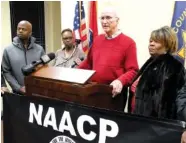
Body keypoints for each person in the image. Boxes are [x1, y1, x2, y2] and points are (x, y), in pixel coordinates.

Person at [78, 7, 139, 109]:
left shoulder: (129, 43)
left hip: (113, 95)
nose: (104, 21)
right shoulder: (97, 40)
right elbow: (88, 63)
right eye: (102, 18)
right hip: (94, 91)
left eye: (108, 18)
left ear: (117, 20)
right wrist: (73, 74)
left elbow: (133, 70)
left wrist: (120, 81)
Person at [132, 26, 185, 119]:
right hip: (140, 120)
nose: (151, 44)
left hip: (156, 125)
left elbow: (171, 102)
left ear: (167, 44)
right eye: (150, 41)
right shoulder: (150, 63)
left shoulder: (174, 67)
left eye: (156, 41)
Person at [1, 20, 45, 95]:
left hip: (37, 93)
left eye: (23, 29)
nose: (20, 31)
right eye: (19, 29)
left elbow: (44, 70)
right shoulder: (8, 50)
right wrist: (18, 88)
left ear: (30, 33)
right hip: (17, 94)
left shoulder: (39, 49)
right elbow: (6, 71)